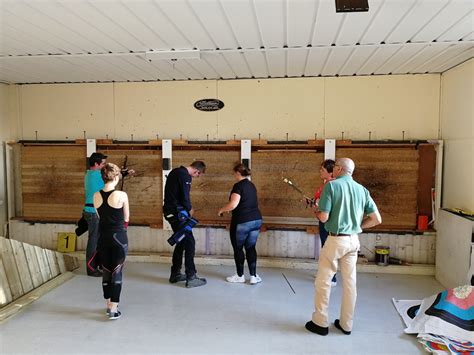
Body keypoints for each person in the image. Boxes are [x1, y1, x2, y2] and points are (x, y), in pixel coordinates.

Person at [305, 158, 382, 336]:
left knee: (323, 281)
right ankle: (346, 324)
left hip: (335, 240)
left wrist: (315, 210)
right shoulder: (363, 190)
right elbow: (377, 219)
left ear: (339, 169)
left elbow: (324, 218)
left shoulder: (331, 186)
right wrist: (359, 226)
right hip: (353, 241)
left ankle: (320, 322)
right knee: (350, 283)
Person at [82, 152, 134, 276]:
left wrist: (123, 172)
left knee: (98, 240)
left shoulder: (89, 174)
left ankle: (99, 264)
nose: (104, 166)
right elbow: (111, 176)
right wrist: (124, 173)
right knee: (94, 241)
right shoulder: (96, 175)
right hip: (93, 213)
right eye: (103, 163)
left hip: (90, 211)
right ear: (96, 164)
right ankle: (91, 268)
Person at [93, 163, 129, 320]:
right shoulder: (122, 195)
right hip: (119, 238)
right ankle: (114, 309)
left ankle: (108, 303)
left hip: (103, 238)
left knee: (107, 271)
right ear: (115, 177)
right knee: (117, 272)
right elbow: (126, 218)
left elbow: (101, 217)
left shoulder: (95, 196)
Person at [163, 161, 207, 288]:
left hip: (170, 212)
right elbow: (184, 196)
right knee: (190, 242)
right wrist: (189, 209)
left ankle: (175, 274)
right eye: (197, 175)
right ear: (196, 171)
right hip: (177, 213)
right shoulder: (185, 176)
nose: (196, 177)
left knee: (181, 241)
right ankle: (191, 276)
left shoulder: (175, 172)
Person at [218, 163, 263, 285]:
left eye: (234, 173)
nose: (234, 175)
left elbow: (233, 204)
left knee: (238, 248)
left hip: (242, 221)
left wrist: (221, 210)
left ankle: (240, 276)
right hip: (256, 220)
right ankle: (253, 276)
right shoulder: (251, 185)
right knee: (250, 247)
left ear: (238, 173)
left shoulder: (238, 186)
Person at [314, 159, 337, 286]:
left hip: (328, 221)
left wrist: (316, 207)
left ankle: (331, 278)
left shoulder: (332, 186)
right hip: (323, 220)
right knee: (325, 248)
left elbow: (329, 207)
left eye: (322, 170)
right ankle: (326, 274)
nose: (320, 172)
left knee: (329, 250)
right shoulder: (326, 185)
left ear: (330, 172)